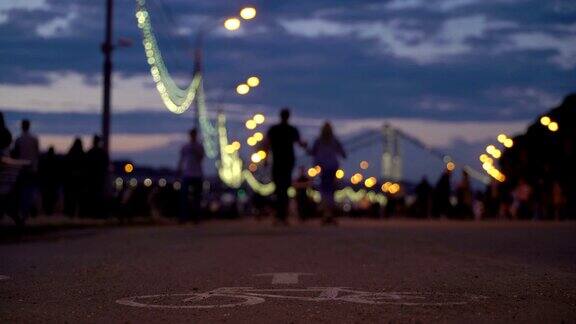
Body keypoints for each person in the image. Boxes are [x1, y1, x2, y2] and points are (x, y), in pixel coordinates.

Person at [266, 108, 306, 225]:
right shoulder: (291, 130)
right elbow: (300, 143)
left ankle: (279, 215)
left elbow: (266, 145)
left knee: (278, 189)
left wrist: (266, 160)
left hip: (277, 162)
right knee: (285, 188)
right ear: (288, 116)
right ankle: (282, 216)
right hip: (288, 162)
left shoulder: (274, 130)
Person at [309, 122, 346, 224]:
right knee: (331, 191)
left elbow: (312, 152)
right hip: (332, 167)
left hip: (323, 167)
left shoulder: (318, 141)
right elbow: (343, 153)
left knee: (324, 191)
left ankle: (326, 214)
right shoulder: (334, 141)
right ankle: (329, 214)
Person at [12, 119, 40, 220]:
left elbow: (15, 155)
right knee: (30, 191)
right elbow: (37, 154)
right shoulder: (34, 139)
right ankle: (29, 208)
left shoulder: (18, 140)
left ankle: (24, 211)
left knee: (22, 191)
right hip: (32, 168)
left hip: (21, 169)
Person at [178, 128, 205, 223]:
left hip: (197, 174)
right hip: (187, 174)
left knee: (196, 197)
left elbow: (201, 158)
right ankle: (184, 217)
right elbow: (181, 159)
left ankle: (196, 217)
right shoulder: (185, 147)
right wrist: (179, 170)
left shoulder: (199, 147)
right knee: (184, 197)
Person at [85, 135, 109, 217]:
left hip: (91, 179)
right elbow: (106, 164)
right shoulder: (100, 153)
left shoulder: (90, 152)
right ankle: (96, 213)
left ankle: (91, 213)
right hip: (97, 178)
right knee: (97, 196)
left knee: (92, 196)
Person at [63, 138, 85, 217]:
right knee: (77, 198)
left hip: (71, 180)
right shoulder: (81, 154)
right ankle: (76, 213)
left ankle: (70, 213)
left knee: (71, 198)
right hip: (78, 180)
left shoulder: (71, 153)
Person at [38, 147, 61, 215]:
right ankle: (49, 211)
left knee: (46, 198)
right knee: (51, 198)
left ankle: (46, 210)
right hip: (52, 183)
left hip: (46, 182)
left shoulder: (44, 160)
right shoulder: (56, 161)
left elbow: (41, 171)